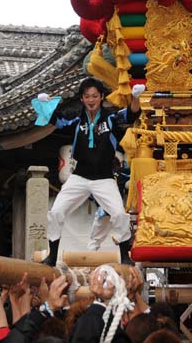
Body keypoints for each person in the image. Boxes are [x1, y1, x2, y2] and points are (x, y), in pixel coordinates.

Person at [34, 78, 144, 266]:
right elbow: (57, 120)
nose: (91, 100)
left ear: (101, 97)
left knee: (119, 214)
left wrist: (135, 97)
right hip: (79, 177)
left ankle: (125, 257)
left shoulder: (110, 118)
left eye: (94, 96)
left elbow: (131, 114)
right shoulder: (77, 118)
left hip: (104, 178)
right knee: (56, 212)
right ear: (82, 99)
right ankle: (52, 256)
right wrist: (45, 104)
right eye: (87, 96)